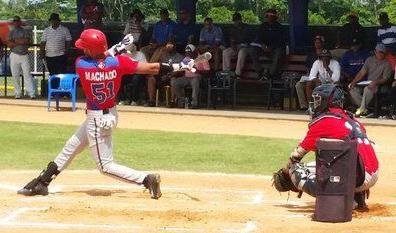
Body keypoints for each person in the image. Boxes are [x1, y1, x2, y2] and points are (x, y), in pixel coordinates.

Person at [16, 29, 181, 199]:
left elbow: (101, 56)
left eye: (85, 47)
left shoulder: (82, 64)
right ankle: (43, 182)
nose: (82, 50)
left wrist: (118, 47)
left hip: (98, 119)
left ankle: (146, 179)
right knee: (71, 146)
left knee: (105, 166)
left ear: (90, 50)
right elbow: (152, 68)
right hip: (109, 114)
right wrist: (179, 65)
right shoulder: (118, 62)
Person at [275, 84, 379, 211]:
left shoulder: (325, 120)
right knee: (333, 159)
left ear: (327, 102)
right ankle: (356, 196)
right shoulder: (352, 119)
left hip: (359, 177)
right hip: (369, 172)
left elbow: (296, 156)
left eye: (318, 100)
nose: (314, 104)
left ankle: (341, 199)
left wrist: (286, 173)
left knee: (296, 169)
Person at [235, 9, 286, 79]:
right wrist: (263, 45)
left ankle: (269, 75)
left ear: (275, 17)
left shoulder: (280, 27)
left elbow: (281, 41)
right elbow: (258, 38)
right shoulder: (263, 26)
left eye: (270, 16)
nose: (268, 17)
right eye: (267, 16)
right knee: (252, 50)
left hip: (274, 49)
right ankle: (260, 71)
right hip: (263, 48)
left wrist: (271, 47)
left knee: (279, 52)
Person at [348, 43, 392, 117]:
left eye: (383, 52)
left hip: (379, 85)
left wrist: (375, 82)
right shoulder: (369, 60)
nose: (381, 54)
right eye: (379, 52)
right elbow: (362, 73)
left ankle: (361, 110)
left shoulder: (387, 63)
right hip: (368, 83)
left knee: (367, 89)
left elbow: (385, 79)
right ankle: (365, 109)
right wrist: (353, 82)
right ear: (375, 52)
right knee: (352, 89)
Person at [145, 41, 184, 107]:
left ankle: (172, 101)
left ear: (175, 46)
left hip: (173, 76)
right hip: (162, 76)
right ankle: (151, 101)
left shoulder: (180, 57)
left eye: (170, 45)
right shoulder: (162, 55)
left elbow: (181, 70)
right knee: (151, 79)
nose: (168, 47)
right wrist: (159, 52)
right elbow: (153, 64)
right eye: (167, 45)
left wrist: (169, 75)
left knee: (173, 80)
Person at [171, 44, 210, 109]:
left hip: (197, 77)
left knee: (195, 80)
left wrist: (197, 70)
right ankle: (182, 101)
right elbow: (180, 68)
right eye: (187, 53)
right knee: (175, 83)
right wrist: (171, 74)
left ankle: (194, 103)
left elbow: (208, 72)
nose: (188, 55)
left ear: (195, 52)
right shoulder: (186, 58)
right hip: (186, 77)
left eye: (190, 53)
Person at [7, 16, 35, 99]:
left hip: (24, 55)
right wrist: (20, 41)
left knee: (27, 74)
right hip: (14, 55)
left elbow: (27, 41)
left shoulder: (25, 31)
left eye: (17, 21)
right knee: (15, 75)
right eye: (15, 21)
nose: (16, 22)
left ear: (20, 22)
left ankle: (31, 93)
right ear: (13, 22)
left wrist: (15, 41)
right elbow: (9, 44)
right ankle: (17, 93)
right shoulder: (11, 32)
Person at [295, 35, 325, 111]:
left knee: (315, 84)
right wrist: (308, 75)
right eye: (316, 42)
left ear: (322, 44)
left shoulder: (325, 54)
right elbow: (308, 68)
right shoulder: (311, 54)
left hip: (321, 78)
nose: (317, 44)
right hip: (311, 77)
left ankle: (316, 106)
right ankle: (304, 106)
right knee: (298, 85)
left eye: (319, 42)